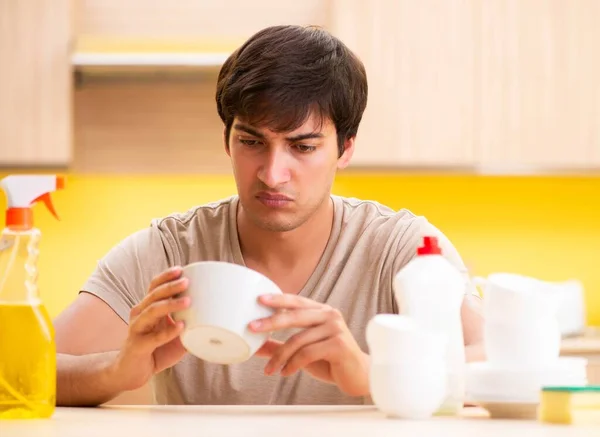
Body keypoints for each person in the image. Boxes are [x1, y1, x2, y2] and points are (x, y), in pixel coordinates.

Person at [54, 24, 484, 407]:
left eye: (303, 147)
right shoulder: (168, 250)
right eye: (252, 141)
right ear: (227, 140)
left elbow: (494, 359)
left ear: (346, 148)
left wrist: (372, 371)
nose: (273, 175)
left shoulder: (401, 248)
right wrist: (117, 371)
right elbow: (20, 369)